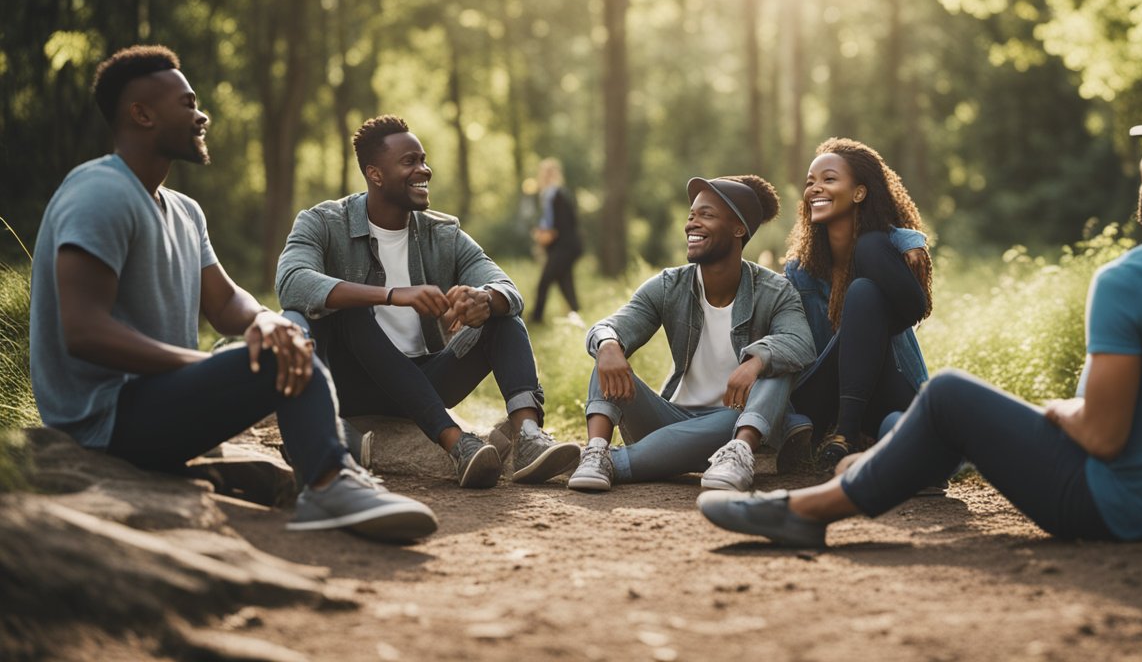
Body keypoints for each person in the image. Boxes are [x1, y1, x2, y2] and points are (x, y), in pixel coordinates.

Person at [701, 99, 1142, 546]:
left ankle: (809, 510)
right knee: (937, 405)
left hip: (1117, 506)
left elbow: (1104, 437)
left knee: (948, 394)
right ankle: (877, 460)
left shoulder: (1131, 279)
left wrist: (1056, 411)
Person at [28, 45, 436, 541]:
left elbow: (223, 303)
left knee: (287, 334)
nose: (202, 115)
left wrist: (265, 321)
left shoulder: (183, 210)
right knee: (274, 359)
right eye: (187, 103)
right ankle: (331, 484)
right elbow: (84, 331)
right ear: (142, 113)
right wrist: (203, 366)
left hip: (158, 408)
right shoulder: (99, 192)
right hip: (102, 422)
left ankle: (333, 476)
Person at [276, 115, 579, 489]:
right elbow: (292, 282)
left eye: (423, 159)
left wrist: (484, 299)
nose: (424, 170)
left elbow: (506, 286)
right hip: (353, 386)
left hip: (425, 380)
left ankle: (528, 436)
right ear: (375, 174)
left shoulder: (442, 232)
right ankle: (456, 442)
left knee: (502, 314)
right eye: (410, 162)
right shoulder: (323, 222)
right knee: (347, 309)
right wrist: (391, 295)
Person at [567, 175, 816, 493]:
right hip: (669, 417)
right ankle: (598, 452)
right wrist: (607, 343)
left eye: (706, 215)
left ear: (738, 229)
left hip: (734, 422)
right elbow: (612, 325)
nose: (691, 224)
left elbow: (800, 343)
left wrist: (756, 360)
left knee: (774, 365)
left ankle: (735, 455)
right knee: (607, 353)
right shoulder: (669, 285)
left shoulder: (775, 291)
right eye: (691, 216)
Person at [784, 138, 934, 472]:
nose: (815, 189)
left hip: (885, 387)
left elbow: (892, 236)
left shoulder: (885, 251)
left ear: (859, 193)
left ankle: (852, 439)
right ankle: (844, 433)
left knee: (866, 279)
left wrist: (910, 241)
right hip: (824, 395)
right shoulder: (799, 272)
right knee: (864, 291)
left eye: (829, 179)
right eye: (810, 182)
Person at [530, 157, 583, 325]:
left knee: (544, 282)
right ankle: (577, 313)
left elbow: (559, 225)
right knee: (564, 281)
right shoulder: (552, 195)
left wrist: (543, 235)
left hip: (566, 246)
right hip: (566, 246)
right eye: (544, 172)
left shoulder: (555, 194)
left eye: (550, 173)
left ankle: (536, 319)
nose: (546, 176)